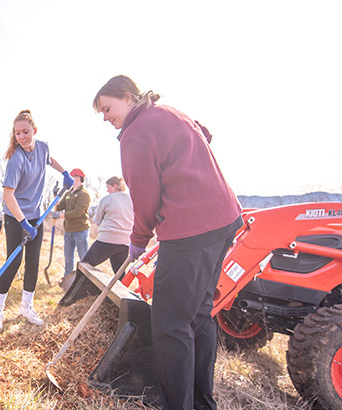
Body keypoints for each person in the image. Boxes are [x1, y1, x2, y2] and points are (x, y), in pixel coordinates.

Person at [93, 75, 242, 410]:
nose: (105, 117)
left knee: (170, 324)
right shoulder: (169, 112)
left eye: (107, 108)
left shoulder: (135, 134)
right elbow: (204, 134)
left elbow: (144, 197)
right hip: (224, 219)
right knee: (200, 315)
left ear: (127, 97)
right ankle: (202, 402)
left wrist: (138, 240)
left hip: (191, 230)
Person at [0, 109, 74, 331]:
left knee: (33, 261)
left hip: (36, 213)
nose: (22, 137)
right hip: (15, 215)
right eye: (17, 133)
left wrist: (64, 172)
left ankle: (26, 306)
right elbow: (8, 195)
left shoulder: (42, 147)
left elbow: (49, 159)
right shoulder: (16, 160)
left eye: (26, 132)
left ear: (35, 131)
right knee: (13, 261)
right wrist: (23, 222)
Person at [80, 176, 133, 273]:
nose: (107, 191)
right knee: (120, 274)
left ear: (115, 186)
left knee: (84, 266)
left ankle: (80, 288)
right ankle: (121, 288)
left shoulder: (107, 199)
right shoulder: (131, 199)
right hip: (125, 242)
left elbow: (97, 220)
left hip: (107, 240)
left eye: (108, 187)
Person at [54, 168, 91, 279]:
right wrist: (56, 198)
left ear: (77, 178)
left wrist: (61, 215)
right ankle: (67, 278)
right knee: (68, 257)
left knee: (84, 258)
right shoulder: (68, 193)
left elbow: (77, 212)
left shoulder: (84, 194)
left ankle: (85, 279)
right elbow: (59, 207)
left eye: (71, 177)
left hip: (81, 231)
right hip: (68, 230)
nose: (69, 180)